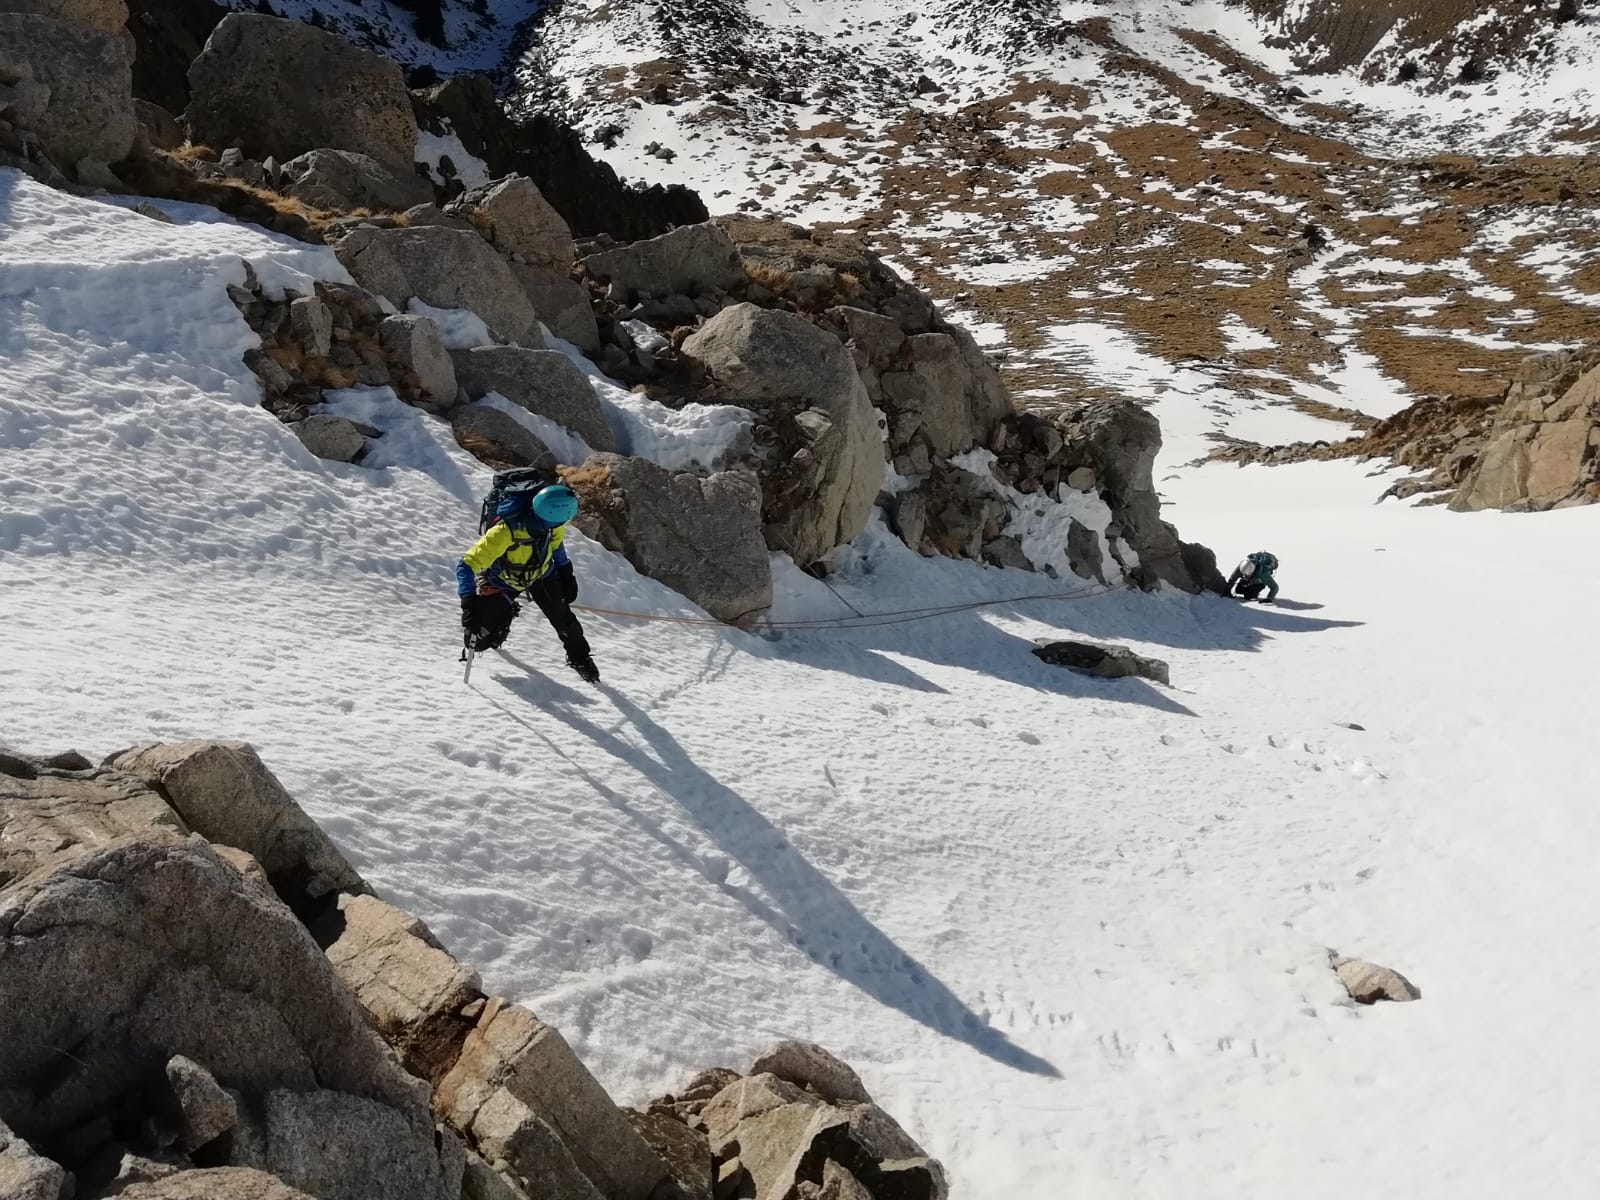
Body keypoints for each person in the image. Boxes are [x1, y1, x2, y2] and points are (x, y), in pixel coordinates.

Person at [457, 481, 599, 682]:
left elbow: (556, 547)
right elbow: (465, 565)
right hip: (505, 580)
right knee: (477, 641)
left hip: (542, 574)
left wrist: (566, 573)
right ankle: (504, 617)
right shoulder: (505, 532)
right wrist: (469, 603)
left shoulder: (552, 525)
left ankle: (580, 657)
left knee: (563, 619)